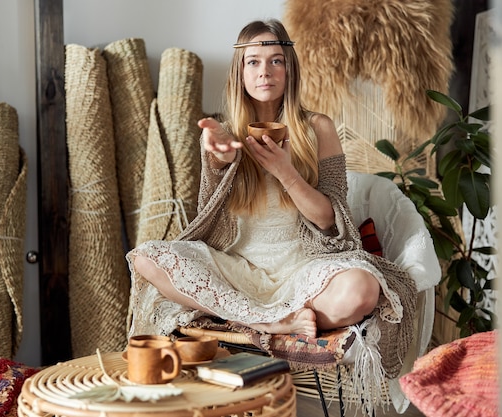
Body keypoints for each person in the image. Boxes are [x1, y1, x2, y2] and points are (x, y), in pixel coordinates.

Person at [126, 20, 415, 372]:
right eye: (253, 62)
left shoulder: (318, 128)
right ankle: (270, 323)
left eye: (276, 60)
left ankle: (267, 315)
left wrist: (286, 172)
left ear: (289, 69)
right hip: (237, 270)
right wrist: (221, 159)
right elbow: (209, 214)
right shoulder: (223, 132)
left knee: (362, 290)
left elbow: (329, 218)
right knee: (147, 258)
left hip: (304, 270)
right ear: (240, 72)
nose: (265, 71)